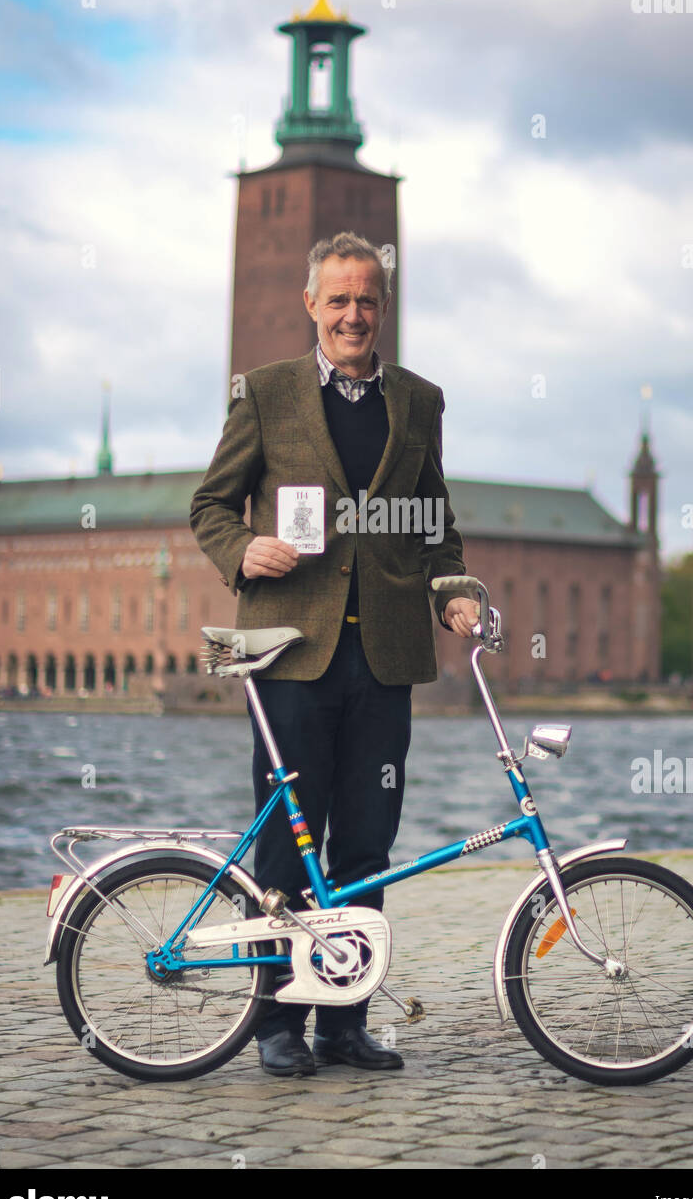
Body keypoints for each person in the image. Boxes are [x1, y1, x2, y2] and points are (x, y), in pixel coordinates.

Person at [190, 231, 480, 1076]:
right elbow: (211, 504)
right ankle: (275, 1021)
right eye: (339, 299)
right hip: (289, 653)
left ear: (383, 309)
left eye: (368, 299)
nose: (354, 313)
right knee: (288, 842)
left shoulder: (420, 402)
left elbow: (436, 526)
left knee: (364, 845)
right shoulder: (268, 394)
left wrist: (454, 591)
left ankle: (343, 1021)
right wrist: (243, 550)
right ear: (312, 305)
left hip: (384, 659)